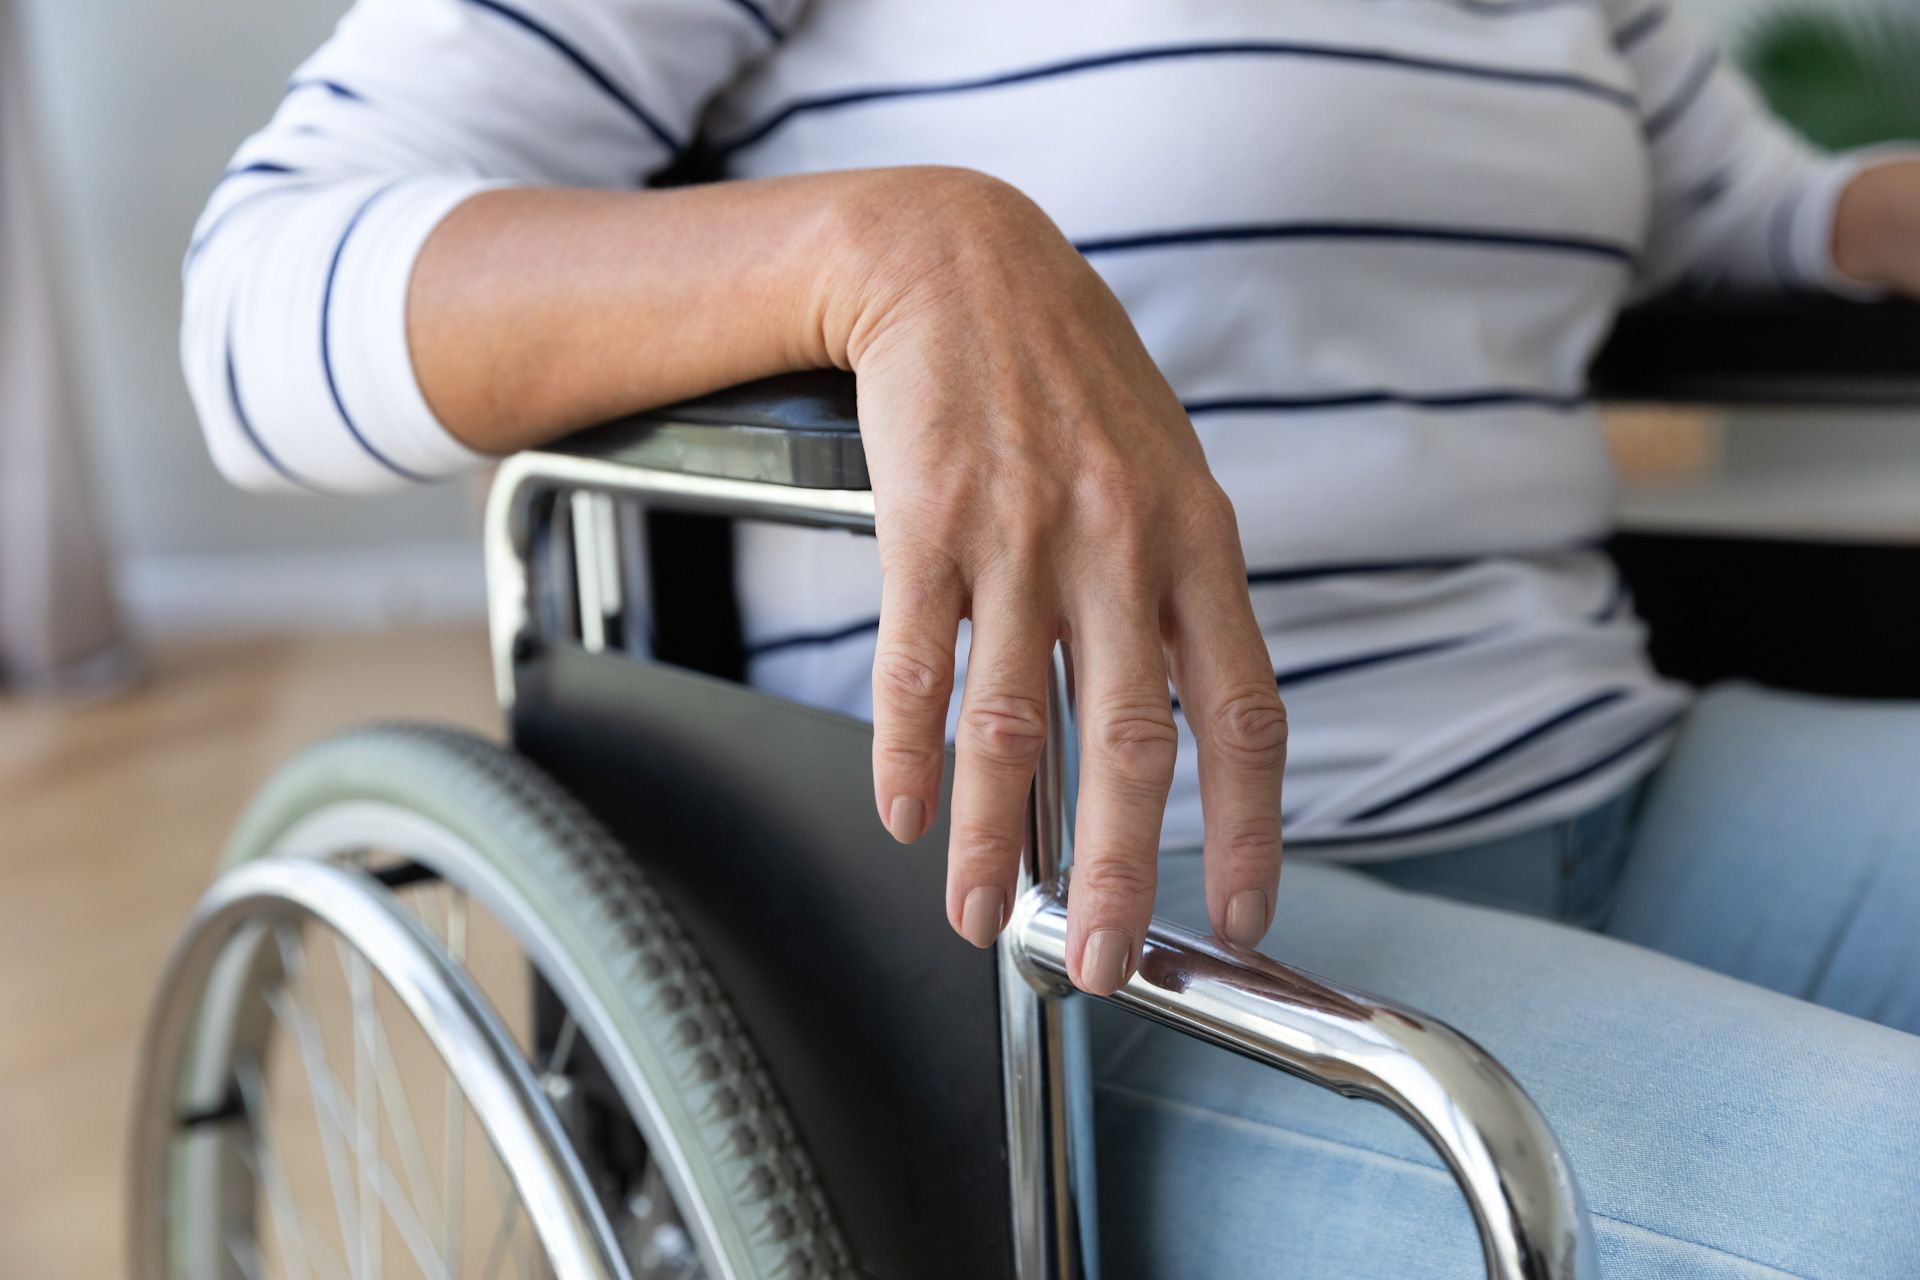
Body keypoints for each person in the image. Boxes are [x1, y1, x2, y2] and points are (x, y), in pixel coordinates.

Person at [182, 2, 1920, 1275]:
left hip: (1605, 757)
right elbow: (260, 308)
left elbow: (1717, 195)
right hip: (1109, 900)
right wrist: (880, 245)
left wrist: (1861, 210)